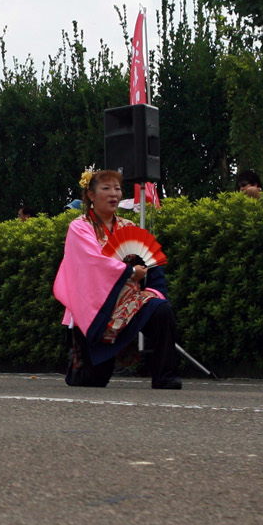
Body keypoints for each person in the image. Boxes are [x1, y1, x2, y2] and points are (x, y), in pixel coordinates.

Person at [53, 167, 181, 390]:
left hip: (128, 300)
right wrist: (130, 272)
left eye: (117, 189)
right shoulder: (80, 227)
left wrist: (154, 289)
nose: (114, 193)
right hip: (93, 306)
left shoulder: (128, 227)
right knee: (92, 381)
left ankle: (165, 376)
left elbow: (151, 261)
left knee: (161, 311)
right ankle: (78, 361)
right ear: (91, 195)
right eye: (106, 188)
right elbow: (93, 262)